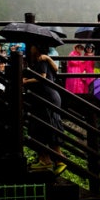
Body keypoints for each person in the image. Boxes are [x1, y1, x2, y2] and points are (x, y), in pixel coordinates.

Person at [23, 43, 67, 175]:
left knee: (46, 126)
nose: (30, 48)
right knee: (40, 126)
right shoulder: (44, 60)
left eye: (32, 46)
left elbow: (42, 77)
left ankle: (59, 159)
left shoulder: (42, 60)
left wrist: (25, 81)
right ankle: (45, 159)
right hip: (48, 96)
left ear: (37, 47)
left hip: (47, 97)